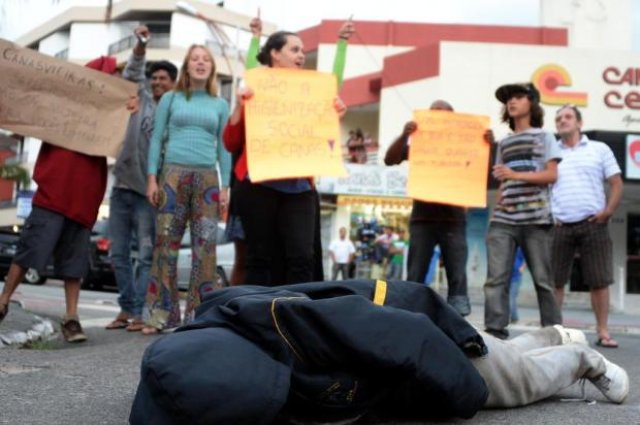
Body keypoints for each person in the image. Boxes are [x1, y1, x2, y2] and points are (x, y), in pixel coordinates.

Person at [130, 279, 629, 425]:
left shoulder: (296, 330)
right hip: (393, 345)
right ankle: (552, 335)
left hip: (425, 335)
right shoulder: (217, 346)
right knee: (506, 352)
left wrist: (466, 397)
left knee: (511, 381)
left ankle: (583, 360)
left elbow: (409, 335)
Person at [0, 56, 132, 342]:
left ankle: (71, 318)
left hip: (85, 197)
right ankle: (4, 300)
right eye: (113, 77)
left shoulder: (112, 115)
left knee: (74, 263)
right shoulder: (63, 106)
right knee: (29, 250)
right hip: (54, 190)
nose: (117, 83)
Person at [223, 30, 346, 286]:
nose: (301, 55)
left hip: (299, 188)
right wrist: (239, 106)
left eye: (302, 51)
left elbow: (323, 134)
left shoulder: (311, 93)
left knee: (301, 257)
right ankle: (258, 317)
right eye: (294, 49)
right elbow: (230, 142)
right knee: (259, 258)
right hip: (258, 186)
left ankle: (293, 315)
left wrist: (332, 116)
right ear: (275, 54)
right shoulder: (255, 88)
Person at [143, 44, 231, 334]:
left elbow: (224, 147)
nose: (201, 63)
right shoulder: (171, 98)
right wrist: (152, 179)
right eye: (195, 59)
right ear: (187, 65)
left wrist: (227, 186)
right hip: (172, 176)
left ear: (212, 69)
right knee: (165, 244)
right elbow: (157, 139)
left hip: (208, 180)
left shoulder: (220, 105)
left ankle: (199, 317)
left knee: (204, 249)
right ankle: (161, 316)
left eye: (206, 59)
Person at [106, 25, 177, 332]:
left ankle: (138, 312)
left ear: (174, 83)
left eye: (164, 79)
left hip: (149, 195)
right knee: (117, 253)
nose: (157, 82)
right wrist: (141, 44)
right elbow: (133, 70)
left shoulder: (175, 111)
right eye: (155, 78)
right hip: (121, 186)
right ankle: (127, 308)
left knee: (146, 254)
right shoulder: (142, 99)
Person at [484, 82, 563, 339]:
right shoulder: (504, 143)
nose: (512, 102)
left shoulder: (545, 137)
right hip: (503, 219)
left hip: (536, 218)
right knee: (496, 279)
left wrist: (515, 174)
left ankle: (554, 332)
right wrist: (495, 212)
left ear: (532, 102)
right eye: (508, 99)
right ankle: (495, 333)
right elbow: (502, 182)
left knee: (543, 280)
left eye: (518, 96)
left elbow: (552, 175)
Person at [384, 100, 472, 316]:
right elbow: (389, 159)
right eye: (434, 114)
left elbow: (481, 174)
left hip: (454, 219)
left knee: (457, 273)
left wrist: (486, 142)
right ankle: (409, 313)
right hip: (422, 219)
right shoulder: (419, 146)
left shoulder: (464, 148)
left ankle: (457, 316)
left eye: (444, 115)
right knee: (416, 270)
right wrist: (405, 135)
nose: (439, 118)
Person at [551, 104, 623, 348]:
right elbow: (544, 186)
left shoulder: (599, 149)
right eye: (558, 118)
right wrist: (550, 215)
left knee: (599, 280)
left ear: (579, 123)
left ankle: (603, 331)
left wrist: (608, 211)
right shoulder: (551, 152)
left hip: (594, 223)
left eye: (568, 117)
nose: (562, 121)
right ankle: (554, 332)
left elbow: (616, 183)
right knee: (555, 281)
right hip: (560, 226)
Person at [509, 246, 526, 323]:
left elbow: (527, 256)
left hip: (516, 277)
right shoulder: (506, 243)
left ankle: (514, 317)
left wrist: (523, 267)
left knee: (511, 297)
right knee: (507, 298)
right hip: (505, 276)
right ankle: (511, 316)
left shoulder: (520, 247)